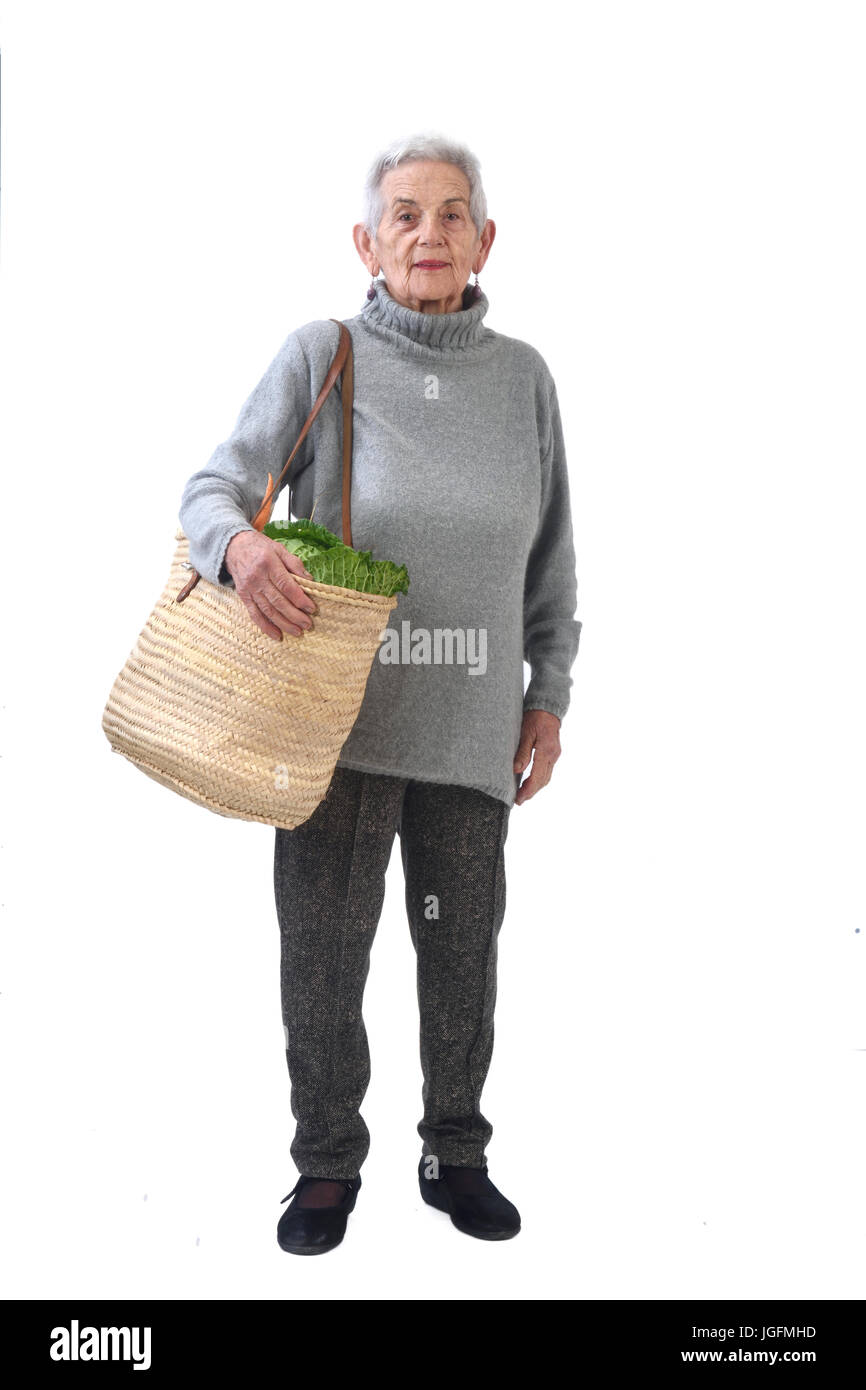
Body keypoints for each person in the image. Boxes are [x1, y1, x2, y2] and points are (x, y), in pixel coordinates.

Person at [179, 132, 582, 1254]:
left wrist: (546, 694)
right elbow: (212, 487)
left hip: (467, 730)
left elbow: (549, 558)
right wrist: (241, 552)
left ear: (485, 240)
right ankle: (324, 1162)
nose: (428, 234)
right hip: (333, 734)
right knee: (322, 955)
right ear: (366, 240)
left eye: (452, 214)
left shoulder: (523, 382)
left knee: (460, 956)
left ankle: (454, 1150)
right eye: (404, 214)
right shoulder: (326, 355)